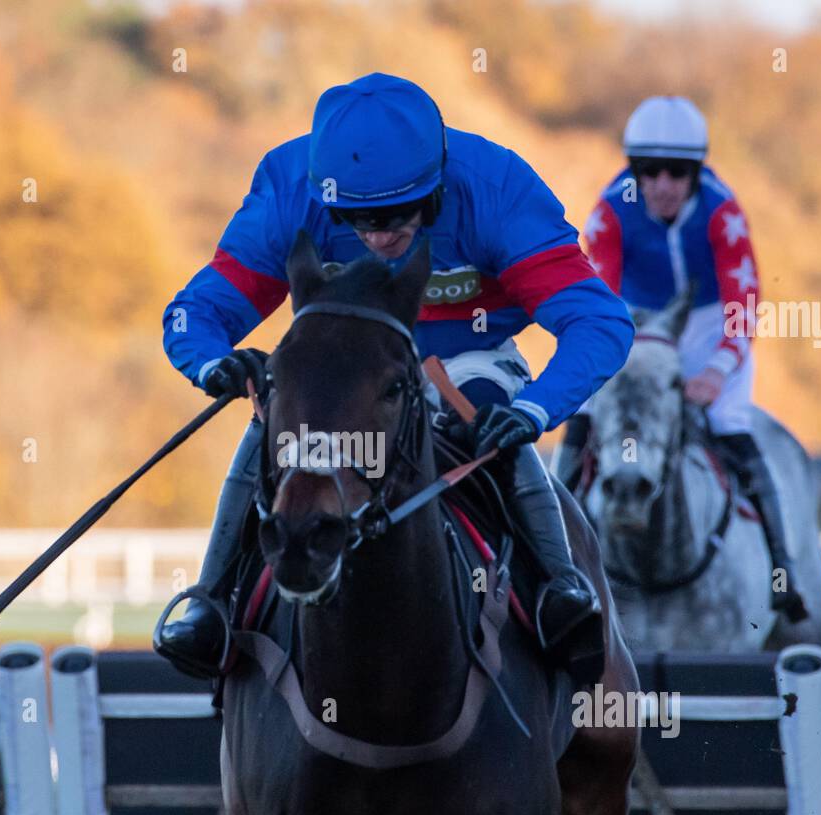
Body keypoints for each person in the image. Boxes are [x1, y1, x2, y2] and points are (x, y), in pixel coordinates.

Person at [157, 72, 635, 678]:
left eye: (396, 214)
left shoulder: (496, 188)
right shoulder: (289, 188)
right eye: (356, 219)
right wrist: (214, 362)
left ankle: (560, 590)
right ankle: (210, 601)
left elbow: (600, 320)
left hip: (464, 359)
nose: (378, 236)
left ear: (437, 186)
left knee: (486, 415)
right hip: (343, 371)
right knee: (272, 414)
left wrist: (534, 410)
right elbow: (195, 312)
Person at [566, 95, 808, 621]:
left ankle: (781, 568)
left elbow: (744, 301)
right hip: (632, 321)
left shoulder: (724, 212)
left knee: (728, 421)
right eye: (649, 171)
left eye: (677, 172)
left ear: (697, 173)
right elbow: (597, 295)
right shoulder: (610, 211)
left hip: (706, 321)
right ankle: (552, 562)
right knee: (584, 415)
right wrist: (607, 366)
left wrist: (718, 371)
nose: (663, 185)